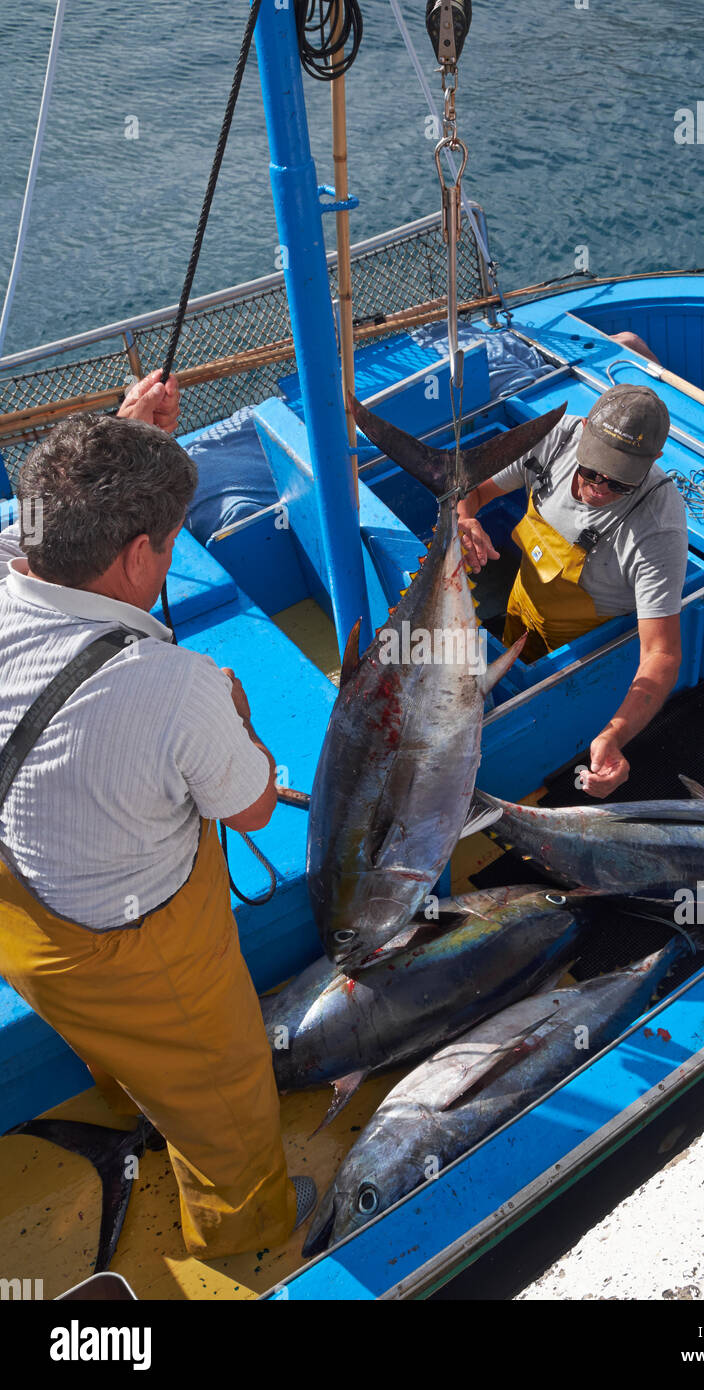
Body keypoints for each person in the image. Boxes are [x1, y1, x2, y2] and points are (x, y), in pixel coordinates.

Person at [0, 371, 313, 1260]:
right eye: (170, 544)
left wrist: (129, 437)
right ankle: (243, 1232)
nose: (171, 558)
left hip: (24, 924)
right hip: (144, 957)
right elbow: (253, 807)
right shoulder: (175, 691)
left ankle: (120, 1086)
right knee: (226, 1098)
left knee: (109, 1043)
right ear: (138, 555)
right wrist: (238, 717)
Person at [458, 381, 688, 799]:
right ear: (583, 429)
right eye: (592, 470)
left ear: (655, 460)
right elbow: (472, 490)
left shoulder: (658, 529)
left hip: (578, 647)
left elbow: (663, 653)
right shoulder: (554, 436)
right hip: (521, 604)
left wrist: (615, 736)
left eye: (619, 483)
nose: (600, 488)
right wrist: (466, 518)